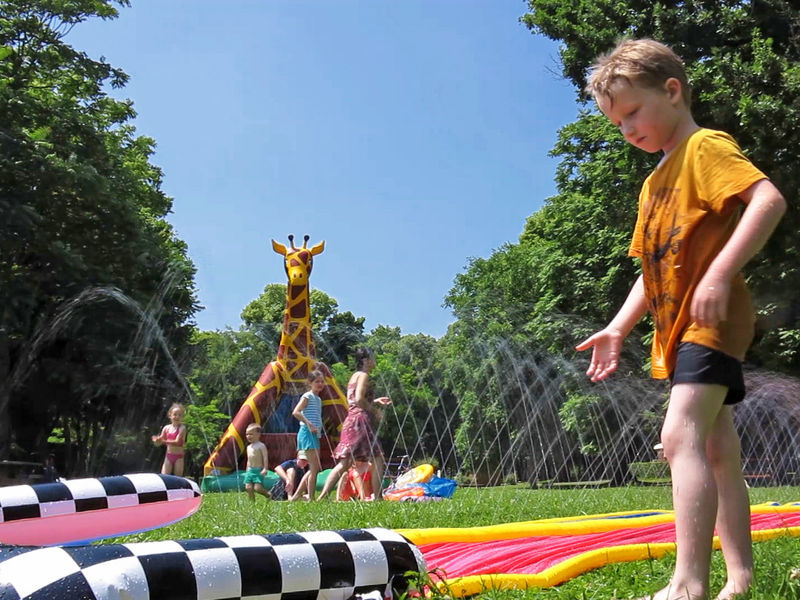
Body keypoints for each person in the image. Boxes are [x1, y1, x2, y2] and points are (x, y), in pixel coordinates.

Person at [576, 39, 786, 600]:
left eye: (632, 113)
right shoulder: (652, 185)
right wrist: (619, 327)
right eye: (616, 123)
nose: (627, 130)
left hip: (711, 321)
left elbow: (768, 200)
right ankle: (739, 579)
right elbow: (650, 270)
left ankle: (687, 583)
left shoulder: (704, 147)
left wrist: (718, 273)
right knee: (717, 449)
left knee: (677, 436)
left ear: (672, 90)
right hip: (677, 331)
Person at [317, 347, 391, 500]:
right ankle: (377, 497)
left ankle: (322, 496)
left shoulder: (354, 376)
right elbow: (358, 399)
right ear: (365, 360)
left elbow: (352, 400)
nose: (374, 361)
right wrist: (374, 411)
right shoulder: (364, 375)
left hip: (351, 419)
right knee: (377, 457)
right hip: (361, 420)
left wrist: (375, 401)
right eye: (372, 358)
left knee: (344, 462)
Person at [289, 370, 325, 500]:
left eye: (322, 381)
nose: (320, 384)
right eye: (317, 381)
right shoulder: (307, 396)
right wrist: (309, 424)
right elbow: (296, 412)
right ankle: (310, 497)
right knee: (314, 468)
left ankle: (299, 496)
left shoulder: (318, 399)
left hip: (314, 434)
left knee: (314, 468)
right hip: (306, 433)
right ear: (310, 383)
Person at [151, 403, 187, 476]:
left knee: (178, 478)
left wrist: (162, 441)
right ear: (170, 415)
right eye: (175, 414)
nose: (177, 417)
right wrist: (156, 440)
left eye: (180, 415)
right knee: (164, 476)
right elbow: (160, 442)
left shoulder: (182, 428)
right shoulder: (166, 428)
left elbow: (177, 442)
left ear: (182, 417)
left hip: (179, 457)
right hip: (169, 455)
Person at [243, 423, 270, 501]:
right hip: (250, 470)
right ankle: (252, 502)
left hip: (258, 470)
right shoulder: (248, 447)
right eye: (247, 434)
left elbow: (265, 457)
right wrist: (247, 469)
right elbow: (249, 459)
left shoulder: (261, 446)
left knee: (258, 488)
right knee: (248, 487)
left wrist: (265, 468)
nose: (248, 436)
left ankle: (268, 495)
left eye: (251, 434)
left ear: (258, 434)